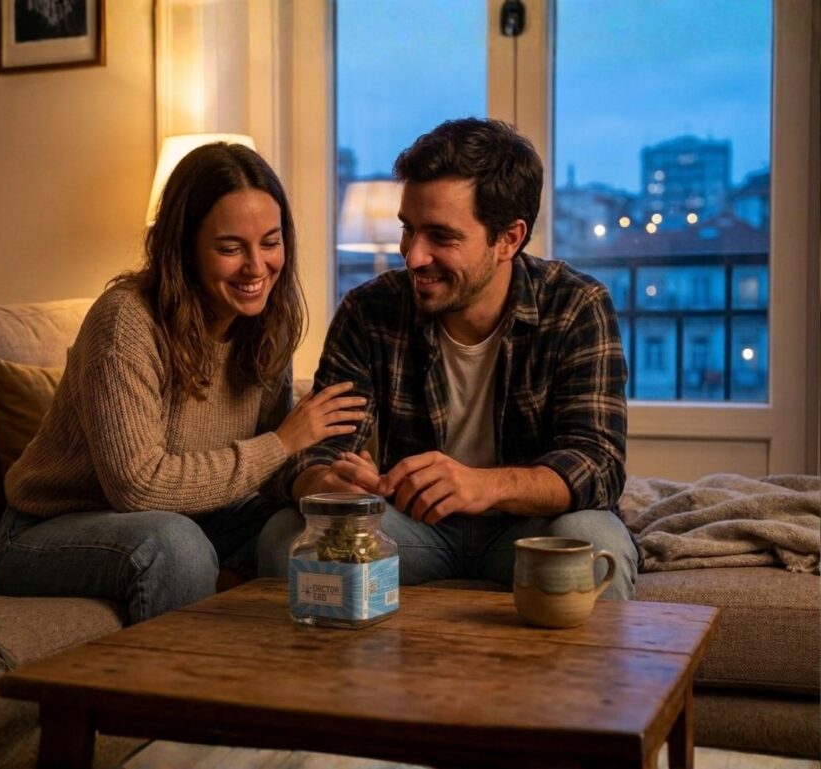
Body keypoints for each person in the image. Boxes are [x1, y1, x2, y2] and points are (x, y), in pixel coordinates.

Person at [258, 118, 638, 598]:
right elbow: (315, 451)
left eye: (441, 236)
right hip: (410, 528)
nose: (413, 256)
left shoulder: (576, 306)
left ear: (509, 239)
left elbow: (598, 463)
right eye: (408, 229)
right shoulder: (369, 310)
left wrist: (483, 485)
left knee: (598, 541)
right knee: (283, 537)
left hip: (527, 529)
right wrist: (327, 483)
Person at [0, 142, 366, 624]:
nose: (256, 267)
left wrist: (318, 480)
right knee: (176, 545)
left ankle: (295, 686)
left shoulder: (268, 324)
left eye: (270, 242)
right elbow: (137, 488)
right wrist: (283, 442)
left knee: (307, 527)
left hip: (199, 516)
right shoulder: (125, 322)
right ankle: (185, 691)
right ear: (184, 248)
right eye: (230, 248)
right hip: (47, 530)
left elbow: (267, 473)